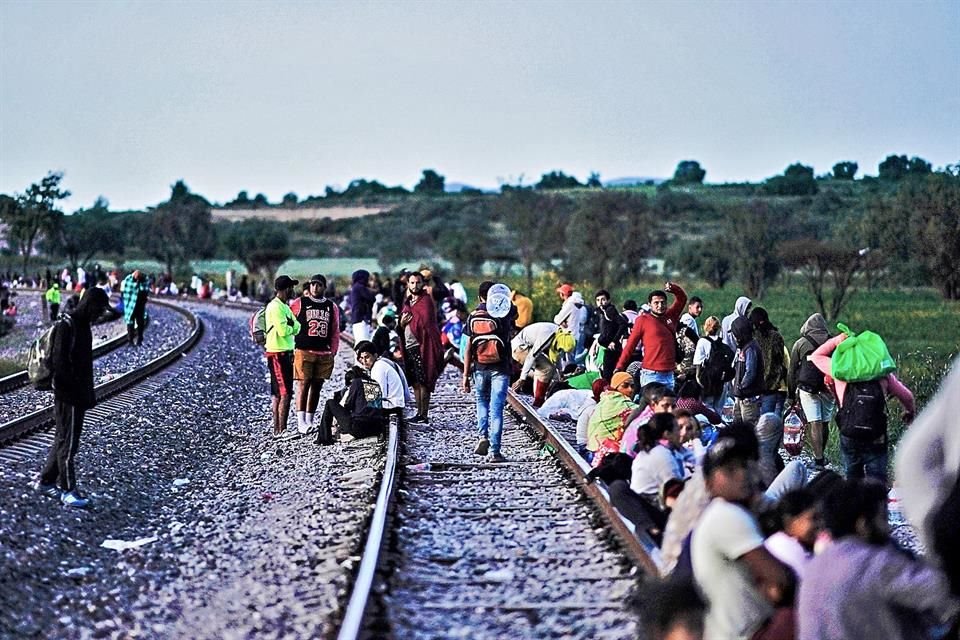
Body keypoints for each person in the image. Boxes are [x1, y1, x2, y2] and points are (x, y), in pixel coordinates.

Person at [798, 478, 958, 640]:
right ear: (862, 524)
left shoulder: (816, 565)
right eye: (883, 518)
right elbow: (942, 592)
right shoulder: (873, 562)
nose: (888, 528)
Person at [691, 421, 796, 640]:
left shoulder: (733, 512)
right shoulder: (726, 515)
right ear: (709, 484)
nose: (741, 474)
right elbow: (781, 579)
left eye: (744, 466)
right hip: (744, 633)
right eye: (729, 470)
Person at [31, 287, 110, 507]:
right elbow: (60, 364)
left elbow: (83, 365)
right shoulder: (68, 326)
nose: (100, 314)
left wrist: (88, 393)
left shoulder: (82, 325)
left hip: (76, 393)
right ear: (89, 305)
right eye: (99, 309)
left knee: (63, 439)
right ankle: (68, 490)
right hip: (69, 395)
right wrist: (77, 391)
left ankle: (46, 481)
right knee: (69, 443)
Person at [809, 332, 915, 483]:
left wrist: (836, 340)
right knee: (877, 477)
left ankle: (854, 503)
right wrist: (910, 413)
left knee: (852, 475)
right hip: (875, 433)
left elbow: (816, 356)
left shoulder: (839, 370)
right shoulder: (883, 375)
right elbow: (907, 396)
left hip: (849, 432)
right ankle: (876, 503)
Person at [462, 281, 513, 463]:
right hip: (501, 367)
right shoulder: (506, 312)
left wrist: (465, 375)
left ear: (479, 297)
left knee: (481, 401)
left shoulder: (474, 315)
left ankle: (483, 436)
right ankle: (495, 451)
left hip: (480, 367)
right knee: (497, 409)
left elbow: (468, 347)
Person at [289, 274, 340, 435]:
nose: (315, 288)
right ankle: (300, 421)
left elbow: (334, 331)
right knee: (303, 384)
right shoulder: (300, 303)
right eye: (312, 285)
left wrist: (333, 351)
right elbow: (287, 321)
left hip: (323, 352)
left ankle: (310, 419)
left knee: (317, 386)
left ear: (324, 287)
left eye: (318, 285)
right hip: (304, 350)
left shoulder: (331, 307)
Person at [615, 282, 687, 389]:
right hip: (651, 374)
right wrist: (620, 366)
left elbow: (682, 299)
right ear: (649, 305)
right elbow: (630, 345)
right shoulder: (642, 320)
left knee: (667, 405)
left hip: (669, 373)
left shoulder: (671, 316)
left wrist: (673, 288)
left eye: (663, 302)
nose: (660, 306)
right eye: (656, 303)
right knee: (651, 405)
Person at [788, 313, 833, 467]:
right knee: (825, 422)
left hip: (808, 388)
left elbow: (792, 371)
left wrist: (791, 395)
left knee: (815, 422)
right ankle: (822, 453)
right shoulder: (833, 342)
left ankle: (818, 458)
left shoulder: (801, 343)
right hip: (828, 388)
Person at [399, 271, 443, 423]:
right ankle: (418, 412)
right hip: (409, 345)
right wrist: (402, 324)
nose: (415, 285)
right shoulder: (407, 302)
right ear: (408, 284)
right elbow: (401, 325)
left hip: (422, 346)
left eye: (418, 282)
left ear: (423, 284)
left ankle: (423, 414)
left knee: (424, 380)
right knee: (415, 381)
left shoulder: (426, 302)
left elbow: (427, 324)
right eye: (412, 282)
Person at [315, 363, 387, 445]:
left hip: (359, 427)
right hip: (376, 428)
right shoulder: (374, 383)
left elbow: (348, 405)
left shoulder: (357, 382)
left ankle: (324, 438)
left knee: (330, 403)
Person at [265, 275, 301, 438]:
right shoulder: (275, 307)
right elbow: (284, 330)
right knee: (284, 392)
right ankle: (281, 430)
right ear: (286, 289)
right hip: (278, 353)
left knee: (280, 392)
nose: (293, 290)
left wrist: (292, 326)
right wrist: (292, 326)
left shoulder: (284, 307)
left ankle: (279, 429)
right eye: (291, 288)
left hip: (285, 352)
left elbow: (297, 326)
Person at [510, 322, 571, 408]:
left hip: (528, 347)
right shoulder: (547, 336)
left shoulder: (560, 335)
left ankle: (538, 396)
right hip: (519, 348)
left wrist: (560, 372)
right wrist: (522, 378)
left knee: (550, 370)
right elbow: (531, 357)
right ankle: (538, 402)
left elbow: (557, 356)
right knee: (546, 369)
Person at [763, 488, 818, 581]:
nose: (819, 524)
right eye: (814, 518)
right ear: (792, 521)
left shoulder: (780, 541)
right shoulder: (785, 547)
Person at [749, 307, 788, 418]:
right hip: (772, 385)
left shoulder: (753, 337)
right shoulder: (776, 336)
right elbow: (780, 358)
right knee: (767, 419)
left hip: (754, 384)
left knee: (755, 419)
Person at [355, 340, 407, 423]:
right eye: (362, 358)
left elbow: (379, 395)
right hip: (394, 404)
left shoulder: (378, 368)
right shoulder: (379, 364)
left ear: (375, 355)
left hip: (392, 406)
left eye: (367, 357)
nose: (364, 362)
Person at [730, 316, 764, 426]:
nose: (734, 338)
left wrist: (741, 386)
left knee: (749, 427)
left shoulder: (751, 348)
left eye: (735, 335)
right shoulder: (743, 347)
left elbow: (750, 372)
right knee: (738, 427)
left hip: (749, 398)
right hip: (741, 397)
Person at [694, 316, 730, 416]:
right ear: (719, 328)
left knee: (707, 408)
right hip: (722, 382)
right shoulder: (723, 343)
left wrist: (698, 379)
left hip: (708, 381)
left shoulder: (702, 341)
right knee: (718, 409)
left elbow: (698, 363)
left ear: (705, 327)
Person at [595, 289, 627, 382]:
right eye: (598, 300)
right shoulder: (603, 311)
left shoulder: (610, 310)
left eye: (603, 299)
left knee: (608, 376)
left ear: (608, 300)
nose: (600, 302)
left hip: (612, 349)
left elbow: (623, 324)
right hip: (608, 348)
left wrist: (614, 341)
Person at [121, 270, 149, 346]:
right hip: (130, 304)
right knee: (130, 322)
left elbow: (145, 290)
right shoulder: (128, 280)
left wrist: (140, 284)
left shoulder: (145, 280)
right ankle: (130, 340)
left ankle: (140, 338)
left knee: (140, 322)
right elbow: (126, 291)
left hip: (140, 305)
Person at [349, 269, 376, 341]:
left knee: (359, 342)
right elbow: (372, 298)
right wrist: (372, 287)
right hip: (361, 319)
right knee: (363, 342)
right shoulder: (360, 287)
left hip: (357, 318)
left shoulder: (355, 287)